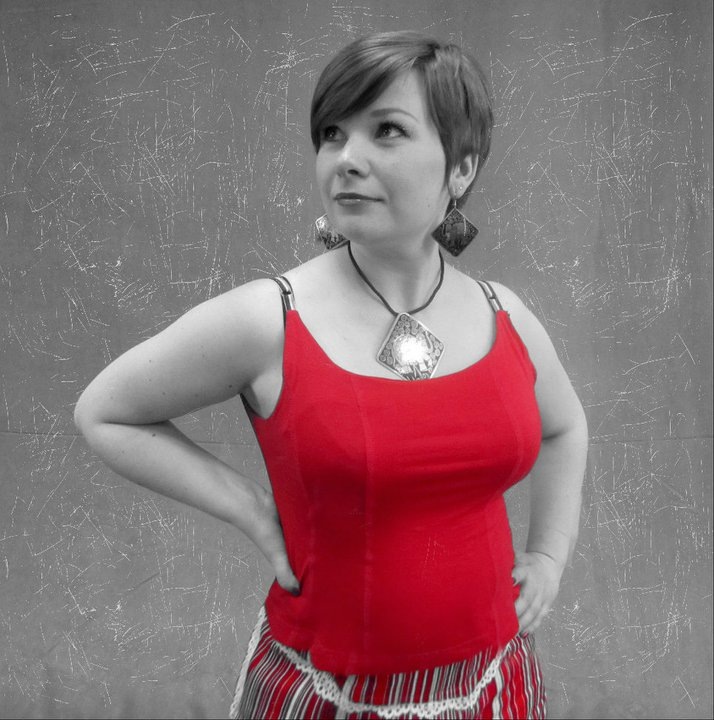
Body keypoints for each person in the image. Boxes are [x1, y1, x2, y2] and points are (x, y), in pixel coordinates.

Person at [74, 30, 588, 720]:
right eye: (332, 134)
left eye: (387, 131)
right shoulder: (270, 319)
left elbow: (564, 427)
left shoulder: (507, 315)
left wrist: (548, 557)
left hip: (496, 689)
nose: (346, 158)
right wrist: (252, 509)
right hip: (331, 700)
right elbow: (104, 411)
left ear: (461, 167)